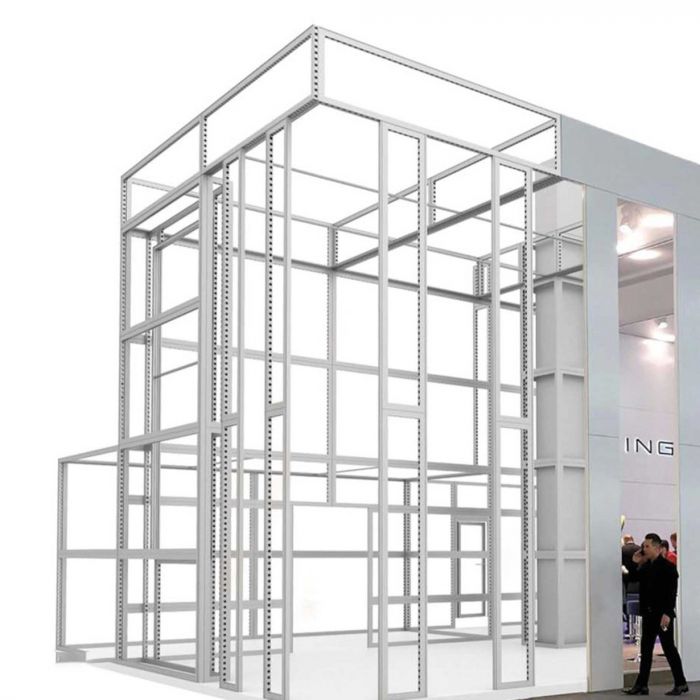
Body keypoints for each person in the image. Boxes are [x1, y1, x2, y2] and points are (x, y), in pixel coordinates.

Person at [624, 533, 688, 696]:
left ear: (657, 548)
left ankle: (680, 682)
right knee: (646, 649)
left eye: (647, 546)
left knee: (668, 648)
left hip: (661, 615)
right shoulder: (646, 566)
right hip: (648, 613)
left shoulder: (668, 568)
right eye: (643, 546)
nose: (644, 549)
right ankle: (642, 684)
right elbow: (633, 578)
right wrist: (635, 562)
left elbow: (671, 593)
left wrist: (667, 613)